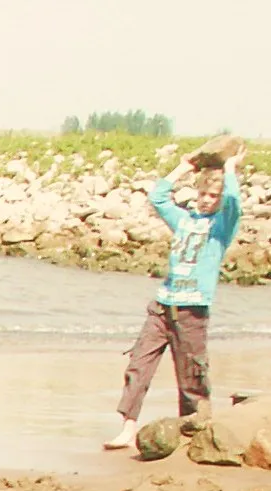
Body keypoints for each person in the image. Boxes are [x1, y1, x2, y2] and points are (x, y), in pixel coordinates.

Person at [106, 144, 248, 451]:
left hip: (192, 311)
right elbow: (158, 197)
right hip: (162, 306)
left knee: (192, 378)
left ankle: (194, 431)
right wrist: (184, 166)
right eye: (203, 195)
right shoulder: (184, 220)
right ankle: (128, 428)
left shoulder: (221, 227)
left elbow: (235, 202)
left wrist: (230, 169)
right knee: (138, 365)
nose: (207, 201)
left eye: (214, 197)